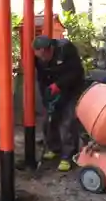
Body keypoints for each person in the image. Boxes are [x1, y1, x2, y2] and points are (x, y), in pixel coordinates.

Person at [33, 35, 85, 172]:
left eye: (43, 56)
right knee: (49, 120)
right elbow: (42, 78)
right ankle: (54, 148)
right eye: (39, 57)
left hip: (72, 89)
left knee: (68, 121)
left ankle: (67, 156)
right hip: (53, 90)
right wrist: (46, 97)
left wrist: (59, 85)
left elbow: (77, 72)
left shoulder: (66, 49)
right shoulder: (39, 59)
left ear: (49, 49)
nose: (41, 60)